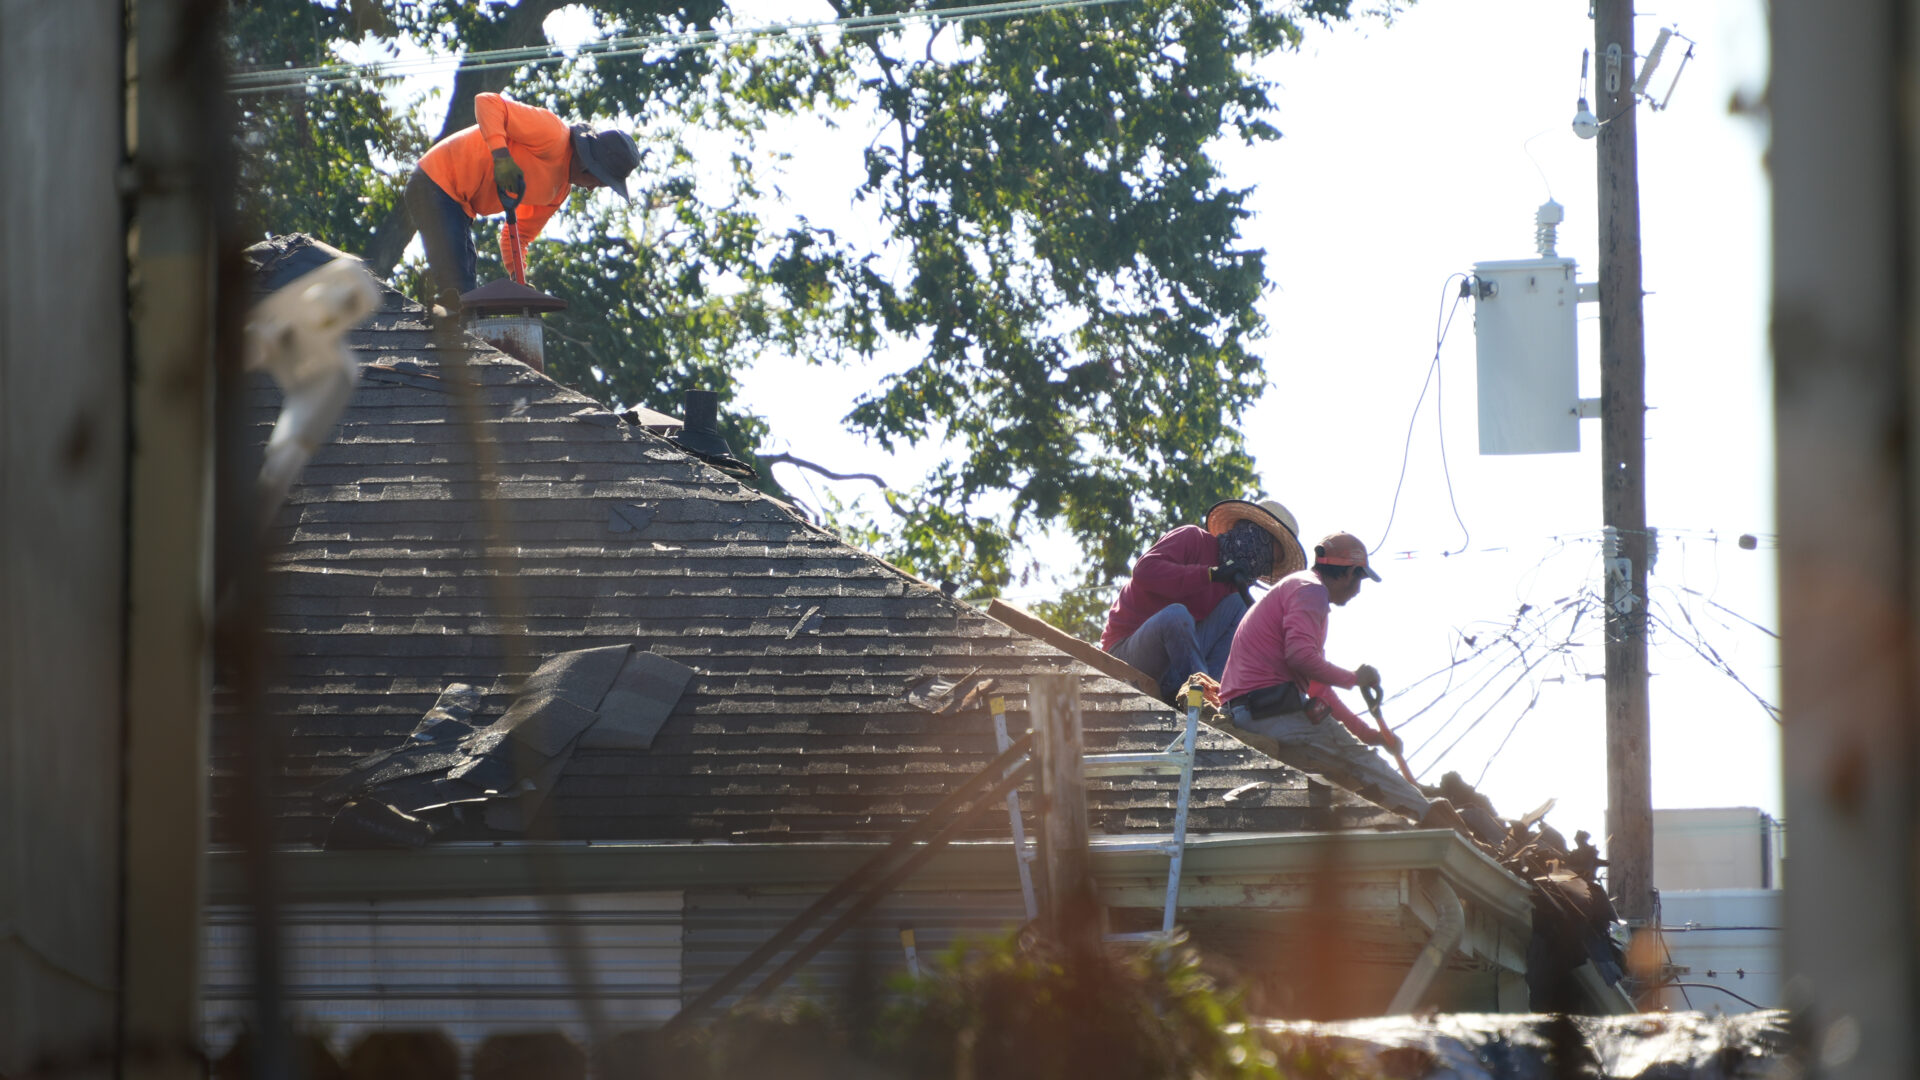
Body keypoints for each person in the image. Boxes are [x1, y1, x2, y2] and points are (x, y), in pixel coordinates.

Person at [1216, 531, 1462, 829]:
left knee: (1343, 746)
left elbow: (1318, 688)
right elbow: (1300, 657)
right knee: (1355, 755)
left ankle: (1406, 809)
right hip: (1262, 710)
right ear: (1347, 573)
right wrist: (1355, 678)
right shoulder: (1312, 592)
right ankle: (1426, 814)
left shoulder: (1299, 588)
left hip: (1258, 706)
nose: (1358, 590)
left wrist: (1371, 734)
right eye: (1358, 580)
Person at [405, 92, 641, 311]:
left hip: (459, 206)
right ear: (591, 167)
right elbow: (487, 102)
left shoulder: (558, 192)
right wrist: (502, 158)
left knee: (466, 295)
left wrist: (517, 280)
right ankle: (437, 338)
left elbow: (518, 236)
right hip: (435, 182)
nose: (590, 189)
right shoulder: (553, 134)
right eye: (599, 182)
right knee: (457, 291)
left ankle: (444, 335)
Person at [1101, 499, 1305, 703]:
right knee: (1176, 615)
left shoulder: (1233, 589)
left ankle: (1206, 698)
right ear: (1249, 532)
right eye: (1264, 550)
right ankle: (1202, 697)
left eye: (1268, 562)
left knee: (1241, 609)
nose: (1260, 562)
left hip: (1174, 671)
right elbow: (1143, 572)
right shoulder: (1192, 538)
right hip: (1126, 656)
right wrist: (1209, 574)